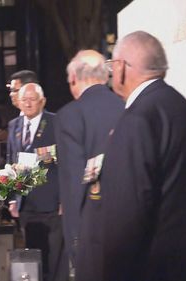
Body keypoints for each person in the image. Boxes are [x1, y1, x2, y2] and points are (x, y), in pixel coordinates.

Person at [97, 31, 186, 280]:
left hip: (152, 266)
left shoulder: (137, 120)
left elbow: (126, 215)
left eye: (112, 65)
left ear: (121, 68)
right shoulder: (184, 110)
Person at [54, 50, 124, 276]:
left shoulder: (70, 115)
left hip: (92, 233)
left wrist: (75, 242)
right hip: (130, 226)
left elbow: (75, 184)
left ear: (74, 77)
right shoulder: (129, 108)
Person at [7, 83, 68, 281]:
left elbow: (65, 158)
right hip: (26, 203)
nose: (28, 103)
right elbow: (11, 162)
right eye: (24, 99)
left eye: (33, 99)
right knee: (33, 257)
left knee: (55, 258)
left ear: (42, 101)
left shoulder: (56, 122)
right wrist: (12, 199)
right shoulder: (13, 125)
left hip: (52, 202)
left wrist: (64, 199)